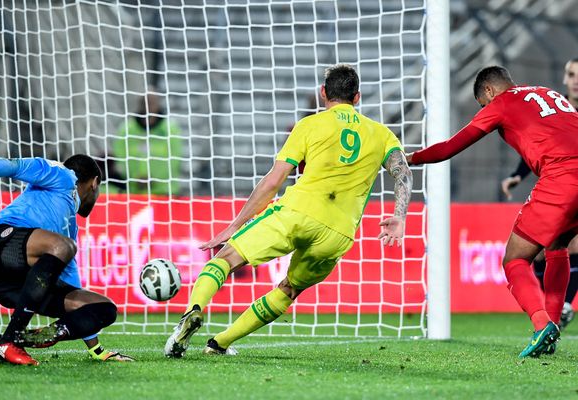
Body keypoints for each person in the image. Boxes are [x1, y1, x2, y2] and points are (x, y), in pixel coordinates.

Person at [164, 64, 413, 357]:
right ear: (357, 97)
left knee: (227, 258)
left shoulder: (308, 125)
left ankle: (193, 311)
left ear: (323, 93)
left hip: (297, 212)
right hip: (338, 233)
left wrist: (235, 226)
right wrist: (399, 216)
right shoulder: (381, 134)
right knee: (289, 289)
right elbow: (403, 173)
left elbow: (273, 182)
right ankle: (221, 343)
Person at [407, 66, 578, 358]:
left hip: (562, 175)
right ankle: (551, 328)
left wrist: (411, 157)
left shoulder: (502, 102)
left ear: (489, 91)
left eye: (482, 106)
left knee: (515, 259)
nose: (485, 111)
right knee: (557, 245)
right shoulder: (543, 93)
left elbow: (450, 147)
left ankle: (541, 325)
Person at [0, 155, 133, 365]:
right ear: (95, 182)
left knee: (104, 308)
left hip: (10, 285)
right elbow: (16, 166)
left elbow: (72, 287)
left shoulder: (69, 231)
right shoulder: (63, 175)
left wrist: (96, 349)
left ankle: (28, 338)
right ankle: (10, 339)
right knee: (63, 246)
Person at [500, 58, 578, 331]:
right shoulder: (556, 107)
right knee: (550, 249)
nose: (575, 80)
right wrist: (517, 176)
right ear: (565, 78)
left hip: (567, 186)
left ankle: (559, 309)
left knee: (567, 246)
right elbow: (531, 144)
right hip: (560, 186)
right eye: (571, 74)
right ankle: (555, 313)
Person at [112, 93, 181, 196]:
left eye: (151, 103)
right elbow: (119, 159)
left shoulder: (170, 130)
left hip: (164, 193)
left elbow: (175, 161)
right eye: (144, 103)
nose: (148, 106)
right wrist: (135, 178)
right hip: (133, 193)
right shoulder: (126, 130)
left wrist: (154, 179)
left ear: (158, 105)